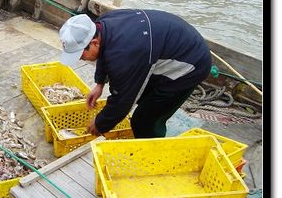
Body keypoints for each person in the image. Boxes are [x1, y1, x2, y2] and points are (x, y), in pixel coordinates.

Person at [58, 9, 212, 138]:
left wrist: (99, 124)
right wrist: (99, 83)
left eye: (80, 55)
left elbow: (122, 101)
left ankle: (153, 152)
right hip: (163, 48)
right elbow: (104, 53)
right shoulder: (102, 24)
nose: (80, 59)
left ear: (94, 43)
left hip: (191, 65)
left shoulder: (124, 56)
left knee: (143, 120)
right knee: (143, 98)